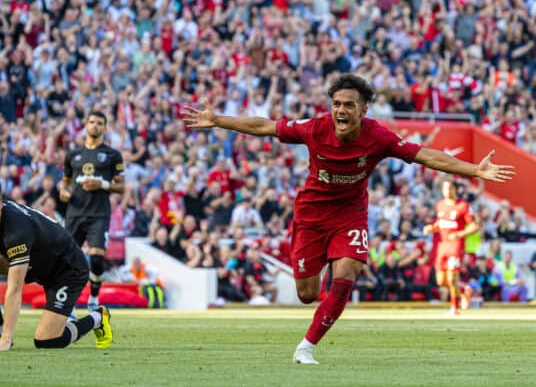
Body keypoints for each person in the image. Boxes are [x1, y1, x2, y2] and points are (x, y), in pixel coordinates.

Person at [182, 73, 515, 364]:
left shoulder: (378, 136)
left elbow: (425, 155)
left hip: (350, 216)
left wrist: (474, 169)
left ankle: (306, 348)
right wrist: (219, 120)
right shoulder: (314, 128)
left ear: (363, 110)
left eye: (349, 105)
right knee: (307, 294)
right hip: (310, 217)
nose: (341, 110)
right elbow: (264, 126)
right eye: (337, 103)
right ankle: (328, 302)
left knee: (346, 274)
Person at [0, 176, 112, 350]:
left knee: (47, 341)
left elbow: (15, 288)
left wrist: (7, 339)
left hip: (66, 270)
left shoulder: (16, 228)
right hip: (36, 264)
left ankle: (98, 317)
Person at [58, 111, 125, 311]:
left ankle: (94, 299)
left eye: (99, 123)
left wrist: (101, 184)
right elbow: (65, 183)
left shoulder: (113, 155)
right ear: (85, 125)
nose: (95, 125)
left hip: (98, 214)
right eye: (92, 122)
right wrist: (63, 192)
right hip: (75, 214)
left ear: (104, 128)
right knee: (68, 261)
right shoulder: (73, 155)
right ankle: (68, 305)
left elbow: (121, 187)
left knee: (96, 258)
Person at [423, 179, 479, 315]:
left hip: (455, 245)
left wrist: (460, 234)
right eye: (445, 189)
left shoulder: (463, 206)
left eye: (450, 188)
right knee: (440, 281)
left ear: (456, 189)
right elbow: (440, 223)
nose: (447, 192)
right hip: (441, 246)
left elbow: (474, 226)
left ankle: (454, 308)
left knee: (451, 277)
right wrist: (431, 228)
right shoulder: (440, 205)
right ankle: (465, 289)